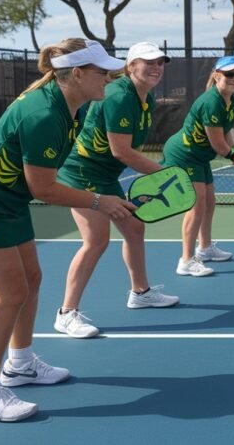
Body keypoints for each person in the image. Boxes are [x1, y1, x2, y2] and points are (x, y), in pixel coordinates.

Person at [0, 38, 134, 422]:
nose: (110, 77)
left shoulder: (68, 108)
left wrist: (103, 197)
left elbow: (40, 181)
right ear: (76, 74)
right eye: (102, 71)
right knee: (10, 294)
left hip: (5, 199)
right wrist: (100, 201)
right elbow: (43, 188)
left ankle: (20, 364)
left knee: (32, 279)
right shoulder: (44, 114)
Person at [53, 42, 179, 339]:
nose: (156, 67)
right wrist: (167, 175)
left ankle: (140, 293)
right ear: (131, 65)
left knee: (134, 228)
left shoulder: (143, 99)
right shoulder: (120, 95)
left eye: (160, 63)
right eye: (149, 62)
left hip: (105, 175)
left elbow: (125, 152)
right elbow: (122, 151)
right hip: (82, 173)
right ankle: (66, 313)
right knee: (96, 241)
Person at [162, 56, 234, 277]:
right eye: (229, 74)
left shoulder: (232, 101)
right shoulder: (211, 102)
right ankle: (186, 260)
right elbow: (217, 143)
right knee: (197, 206)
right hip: (184, 155)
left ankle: (204, 248)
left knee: (209, 202)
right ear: (216, 75)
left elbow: (226, 133)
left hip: (199, 157)